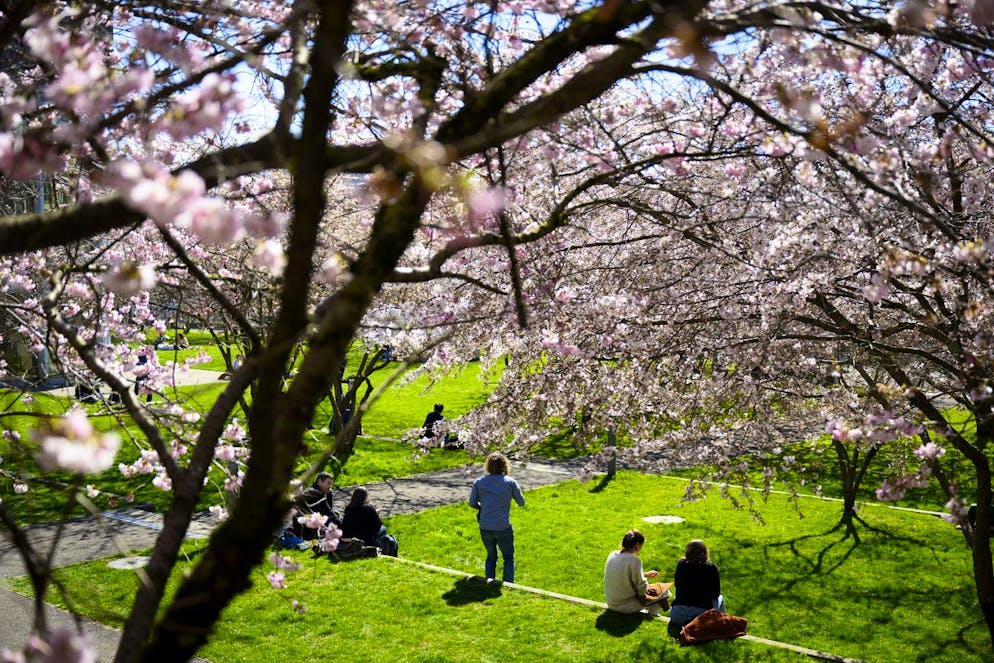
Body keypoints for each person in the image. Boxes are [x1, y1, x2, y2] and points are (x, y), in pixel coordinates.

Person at [469, 452, 525, 582]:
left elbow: (472, 503)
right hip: (502, 526)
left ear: (487, 466)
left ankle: (489, 580)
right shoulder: (510, 482)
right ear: (505, 465)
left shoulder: (479, 482)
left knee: (491, 556)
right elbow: (521, 502)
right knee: (508, 556)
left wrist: (482, 507)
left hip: (485, 526)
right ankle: (509, 584)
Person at [603, 529, 671, 616]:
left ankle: (652, 613)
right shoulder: (634, 560)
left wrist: (645, 574)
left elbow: (623, 574)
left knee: (655, 591)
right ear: (637, 545)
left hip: (612, 603)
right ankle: (651, 615)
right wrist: (649, 592)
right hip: (625, 606)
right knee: (664, 591)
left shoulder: (612, 554)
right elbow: (642, 587)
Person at [669, 539, 726, 628]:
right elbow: (716, 593)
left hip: (677, 615)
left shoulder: (681, 564)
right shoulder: (711, 567)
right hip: (701, 618)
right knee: (720, 598)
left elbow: (677, 584)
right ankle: (720, 625)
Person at [341, 487, 398, 556]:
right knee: (383, 528)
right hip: (365, 537)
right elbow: (378, 524)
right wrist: (375, 513)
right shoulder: (369, 508)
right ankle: (378, 543)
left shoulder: (348, 508)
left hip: (350, 535)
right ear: (365, 497)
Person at [292, 472, 342, 540]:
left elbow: (329, 510)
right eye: (328, 483)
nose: (330, 486)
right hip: (304, 530)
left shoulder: (313, 490)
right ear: (319, 482)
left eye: (331, 484)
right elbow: (328, 513)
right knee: (336, 520)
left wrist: (329, 494)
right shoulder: (314, 494)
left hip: (303, 524)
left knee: (336, 514)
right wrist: (342, 526)